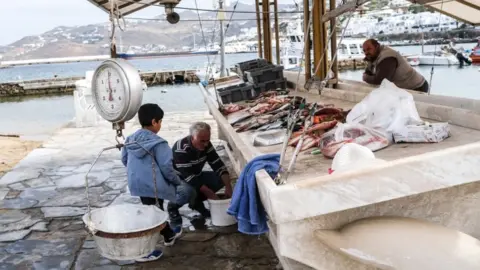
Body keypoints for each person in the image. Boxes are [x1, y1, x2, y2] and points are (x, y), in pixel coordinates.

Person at [121, 103, 194, 262]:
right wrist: (176, 182)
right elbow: (167, 168)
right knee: (152, 216)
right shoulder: (159, 144)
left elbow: (124, 159)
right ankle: (143, 251)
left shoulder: (130, 139)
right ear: (154, 122)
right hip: (153, 185)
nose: (160, 125)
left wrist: (137, 172)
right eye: (160, 121)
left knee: (153, 210)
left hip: (137, 183)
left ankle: (169, 235)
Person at [172, 122, 233, 218]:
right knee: (188, 192)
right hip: (180, 179)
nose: (205, 144)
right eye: (202, 141)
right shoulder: (180, 149)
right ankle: (173, 206)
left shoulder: (207, 144)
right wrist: (211, 194)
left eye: (207, 140)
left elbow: (218, 165)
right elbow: (189, 177)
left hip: (197, 175)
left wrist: (228, 187)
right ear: (192, 137)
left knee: (222, 179)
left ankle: (196, 202)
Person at [362, 38, 429, 93]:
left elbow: (380, 81)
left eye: (369, 49)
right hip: (404, 88)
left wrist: (365, 77)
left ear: (377, 46)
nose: (366, 53)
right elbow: (368, 72)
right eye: (364, 51)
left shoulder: (387, 57)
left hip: (416, 87)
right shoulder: (374, 56)